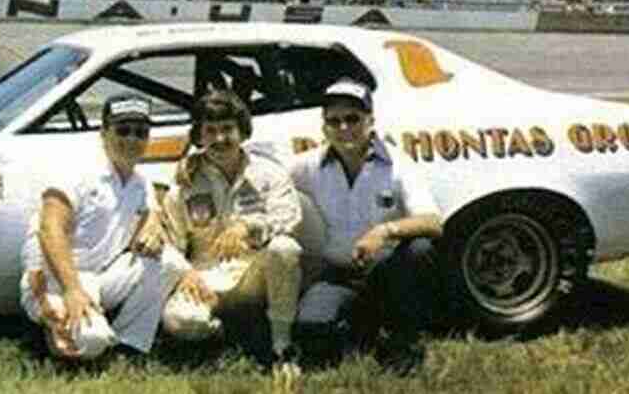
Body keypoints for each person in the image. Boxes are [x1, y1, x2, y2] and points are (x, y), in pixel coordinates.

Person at [288, 79, 443, 375]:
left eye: (352, 119)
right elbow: (266, 181)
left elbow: (433, 222)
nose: (344, 128)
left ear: (371, 121)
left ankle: (404, 340)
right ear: (324, 128)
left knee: (421, 249)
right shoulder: (307, 165)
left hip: (384, 274)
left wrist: (384, 231)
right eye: (334, 121)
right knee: (312, 327)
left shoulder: (398, 165)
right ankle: (363, 325)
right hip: (335, 275)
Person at [19, 94, 184, 360]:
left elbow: (152, 213)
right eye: (123, 130)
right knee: (89, 343)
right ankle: (53, 324)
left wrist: (153, 223)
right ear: (103, 133)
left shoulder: (140, 183)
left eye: (141, 132)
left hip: (101, 278)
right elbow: (49, 230)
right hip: (55, 280)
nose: (132, 139)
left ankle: (128, 344)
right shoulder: (77, 172)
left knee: (168, 263)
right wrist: (72, 290)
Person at [157, 89, 304, 378]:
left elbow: (290, 218)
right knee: (179, 323)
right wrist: (185, 274)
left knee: (285, 248)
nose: (220, 139)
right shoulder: (185, 182)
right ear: (199, 136)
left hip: (256, 276)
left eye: (228, 129)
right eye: (210, 131)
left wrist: (249, 227)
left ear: (243, 131)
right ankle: (231, 331)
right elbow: (170, 241)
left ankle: (282, 346)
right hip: (207, 277)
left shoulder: (268, 173)